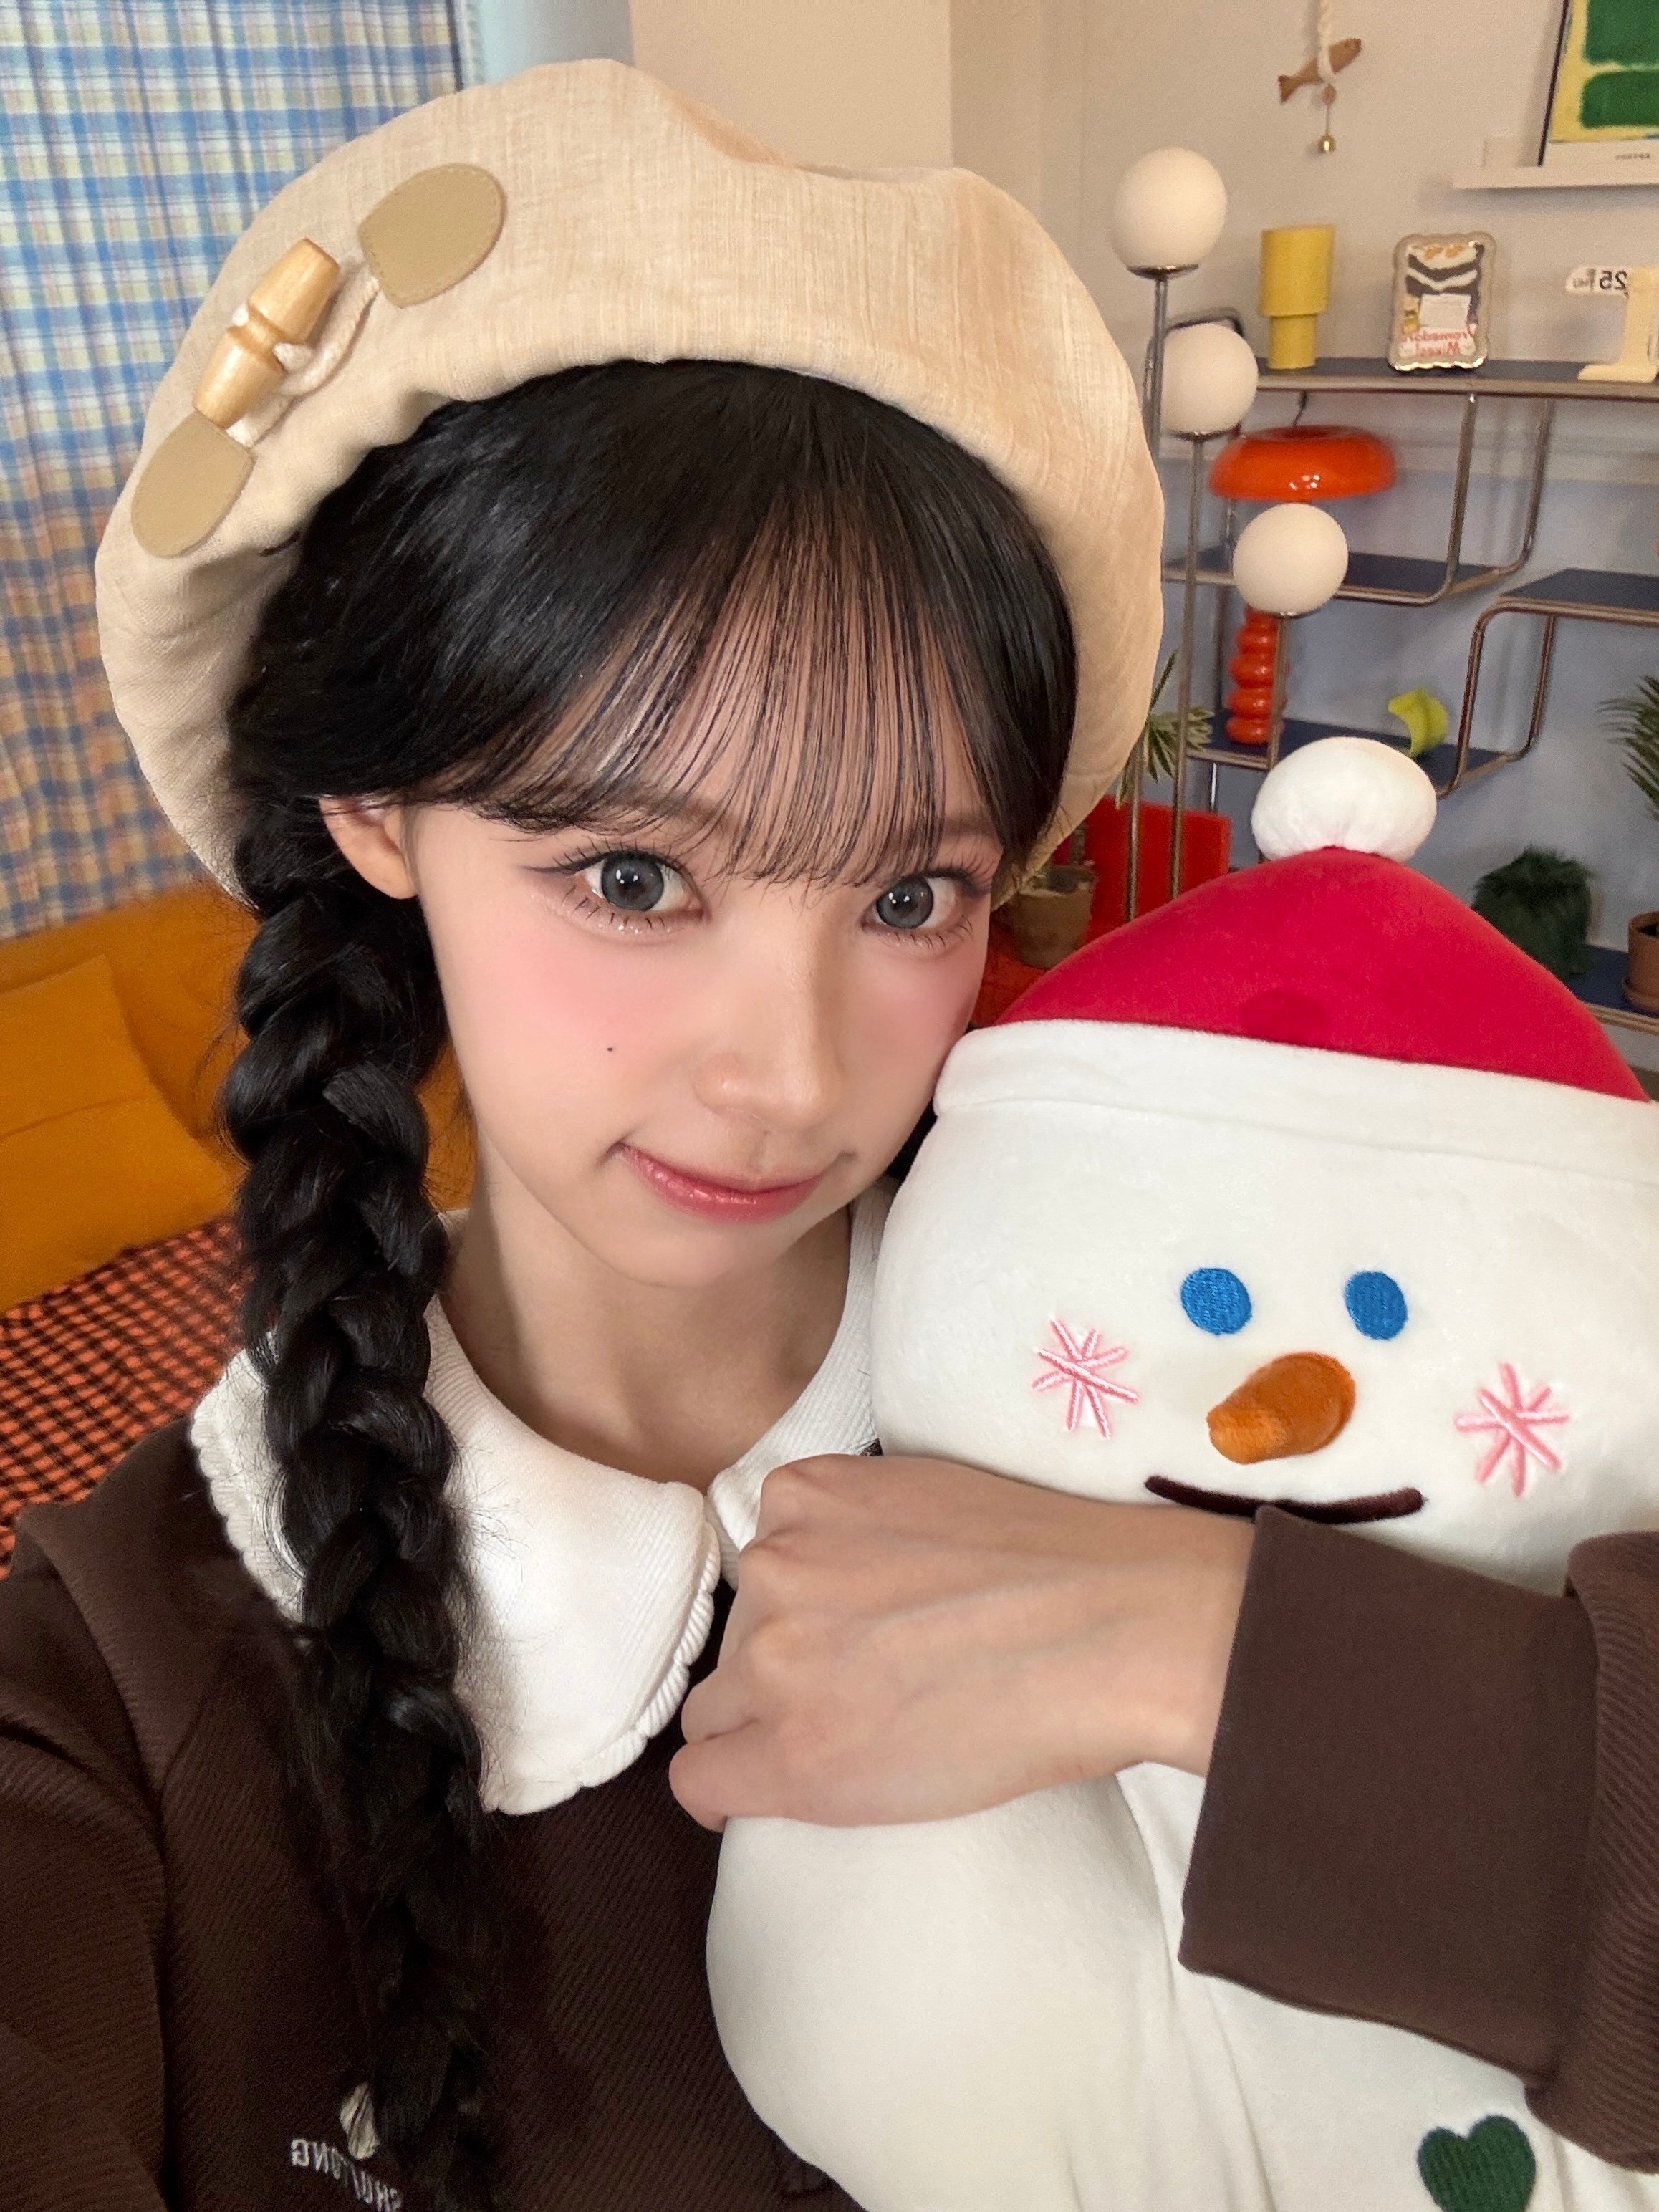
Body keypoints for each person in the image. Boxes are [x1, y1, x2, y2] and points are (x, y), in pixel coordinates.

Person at [1, 54, 1653, 2212]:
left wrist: (1209, 1648)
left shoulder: (1245, 1379)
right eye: (631, 878)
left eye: (906, 896)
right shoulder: (115, 1685)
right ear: (375, 815)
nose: (786, 1078)